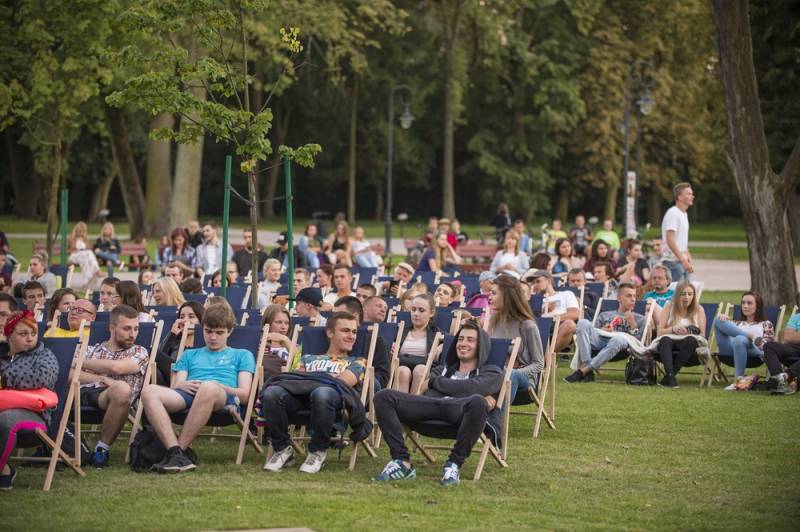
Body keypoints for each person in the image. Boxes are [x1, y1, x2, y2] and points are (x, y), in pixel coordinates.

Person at [372, 321, 502, 486]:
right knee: (384, 396)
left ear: (481, 346)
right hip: (429, 410)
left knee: (477, 402)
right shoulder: (441, 370)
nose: (463, 343)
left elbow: (471, 388)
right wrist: (468, 391)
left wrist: (435, 383)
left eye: (470, 340)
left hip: (460, 416)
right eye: (460, 339)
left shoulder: (492, 372)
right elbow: (431, 392)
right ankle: (401, 461)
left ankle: (453, 464)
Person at [142, 303, 256, 472]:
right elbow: (176, 385)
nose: (213, 337)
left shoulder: (242, 355)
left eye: (219, 333)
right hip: (189, 393)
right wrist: (182, 384)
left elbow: (245, 395)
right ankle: (175, 453)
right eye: (208, 331)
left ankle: (179, 451)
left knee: (208, 387)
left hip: (222, 396)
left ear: (230, 331)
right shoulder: (189, 354)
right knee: (149, 391)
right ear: (202, 329)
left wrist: (219, 386)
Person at [261, 312, 366, 474]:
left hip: (333, 404)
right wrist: (325, 378)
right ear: (330, 333)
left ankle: (317, 451)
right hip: (301, 401)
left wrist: (311, 379)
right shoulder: (307, 358)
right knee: (272, 393)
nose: (351, 336)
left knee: (322, 392)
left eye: (354, 332)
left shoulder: (358, 362)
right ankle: (282, 449)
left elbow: (342, 382)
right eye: (345, 331)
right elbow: (293, 380)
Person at [79, 305, 150, 467]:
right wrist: (101, 378)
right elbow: (68, 374)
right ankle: (53, 444)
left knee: (122, 388)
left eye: (136, 329)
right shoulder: (91, 349)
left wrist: (80, 362)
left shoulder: (139, 352)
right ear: (112, 328)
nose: (133, 334)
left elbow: (117, 368)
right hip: (78, 392)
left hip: (110, 398)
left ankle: (101, 449)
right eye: (127, 328)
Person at [0, 311, 59, 490]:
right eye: (23, 333)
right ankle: (5, 471)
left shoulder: (44, 355)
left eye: (33, 333)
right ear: (9, 335)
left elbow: (41, 379)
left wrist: (4, 378)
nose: (30, 338)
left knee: (5, 420)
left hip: (34, 415)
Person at [565, 282, 648, 382]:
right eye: (629, 296)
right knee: (583, 322)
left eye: (634, 296)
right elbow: (590, 333)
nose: (633, 299)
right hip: (601, 340)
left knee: (618, 339)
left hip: (620, 346)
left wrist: (633, 326)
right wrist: (602, 329)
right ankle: (587, 367)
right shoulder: (605, 315)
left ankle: (584, 371)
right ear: (619, 298)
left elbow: (638, 344)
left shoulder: (640, 319)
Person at [487, 275, 544, 401]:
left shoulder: (527, 325)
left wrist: (511, 373)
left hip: (522, 378)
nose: (489, 297)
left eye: (494, 293)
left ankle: (497, 414)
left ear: (507, 296)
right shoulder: (494, 321)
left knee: (510, 375)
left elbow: (539, 364)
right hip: (497, 374)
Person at [713, 291, 774, 389]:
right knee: (717, 320)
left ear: (758, 306)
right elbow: (723, 326)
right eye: (743, 303)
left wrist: (750, 341)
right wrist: (723, 317)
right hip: (730, 351)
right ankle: (751, 336)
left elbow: (766, 346)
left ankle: (738, 380)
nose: (745, 306)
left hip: (754, 352)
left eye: (749, 303)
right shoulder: (736, 323)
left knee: (739, 339)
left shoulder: (766, 324)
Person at [654, 281, 707, 388]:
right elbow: (659, 332)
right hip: (669, 344)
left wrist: (690, 332)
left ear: (694, 296)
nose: (686, 297)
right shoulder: (669, 306)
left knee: (691, 340)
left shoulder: (699, 309)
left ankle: (669, 377)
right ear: (678, 295)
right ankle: (671, 377)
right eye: (683, 294)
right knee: (665, 340)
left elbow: (702, 336)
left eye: (690, 294)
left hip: (689, 349)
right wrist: (673, 329)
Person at [332, 296, 390, 390]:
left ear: (355, 317)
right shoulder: (331, 336)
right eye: (333, 316)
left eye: (340, 316)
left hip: (358, 388)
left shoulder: (375, 340)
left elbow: (383, 377)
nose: (334, 320)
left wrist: (358, 378)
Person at [396, 293, 439, 394]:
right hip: (401, 364)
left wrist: (441, 346)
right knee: (403, 371)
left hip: (423, 367)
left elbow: (452, 342)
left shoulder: (437, 334)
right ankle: (400, 402)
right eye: (413, 309)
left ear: (431, 313)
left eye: (421, 310)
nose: (416, 313)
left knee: (420, 370)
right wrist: (391, 346)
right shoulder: (399, 330)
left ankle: (414, 402)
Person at [155, 301, 204, 386]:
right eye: (182, 317)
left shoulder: (205, 342)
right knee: (156, 371)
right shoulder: (174, 341)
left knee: (153, 352)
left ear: (201, 320)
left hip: (193, 377)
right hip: (172, 380)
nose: (185, 320)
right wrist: (172, 334)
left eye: (191, 316)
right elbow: (158, 357)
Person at [529, 270, 579, 352]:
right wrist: (542, 311)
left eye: (538, 281)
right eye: (533, 283)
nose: (535, 285)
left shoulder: (566, 294)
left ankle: (546, 356)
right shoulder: (533, 299)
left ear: (548, 281)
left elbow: (574, 314)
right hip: (539, 326)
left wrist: (552, 318)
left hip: (559, 325)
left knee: (570, 324)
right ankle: (544, 357)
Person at [661, 182, 695, 282]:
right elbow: (670, 239)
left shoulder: (684, 214)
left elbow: (681, 241)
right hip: (673, 262)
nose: (692, 196)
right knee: (675, 291)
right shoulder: (673, 213)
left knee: (687, 290)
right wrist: (683, 260)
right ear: (680, 197)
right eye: (689, 194)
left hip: (682, 261)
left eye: (692, 194)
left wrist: (688, 257)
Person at [763, 311, 800, 395]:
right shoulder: (797, 317)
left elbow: (792, 336)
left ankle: (784, 377)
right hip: (795, 347)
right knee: (769, 346)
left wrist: (796, 335)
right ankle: (780, 383)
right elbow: (788, 337)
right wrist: (793, 337)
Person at [261, 304, 294, 378]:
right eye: (278, 322)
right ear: (267, 324)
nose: (283, 327)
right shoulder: (259, 345)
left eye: (287, 323)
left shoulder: (293, 345)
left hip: (289, 380)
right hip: (269, 379)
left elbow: (298, 366)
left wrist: (285, 340)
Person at [67, 221, 100, 285]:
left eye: (83, 231)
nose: (81, 233)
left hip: (83, 256)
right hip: (74, 256)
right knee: (87, 254)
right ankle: (96, 271)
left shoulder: (85, 239)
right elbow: (67, 250)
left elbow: (88, 248)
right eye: (80, 231)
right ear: (76, 231)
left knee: (86, 258)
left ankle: (86, 282)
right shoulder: (72, 238)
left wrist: (88, 247)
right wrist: (74, 250)